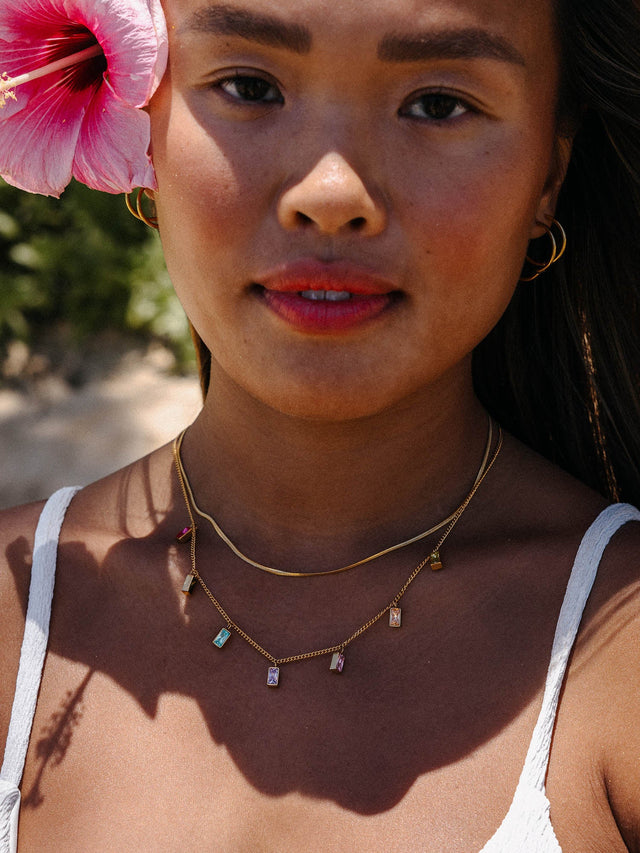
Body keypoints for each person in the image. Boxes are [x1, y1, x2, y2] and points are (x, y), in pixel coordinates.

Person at [1, 0, 640, 849]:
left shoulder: (621, 655)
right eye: (249, 85)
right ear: (140, 119)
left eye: (438, 104)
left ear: (549, 171)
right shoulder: (14, 621)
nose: (330, 196)